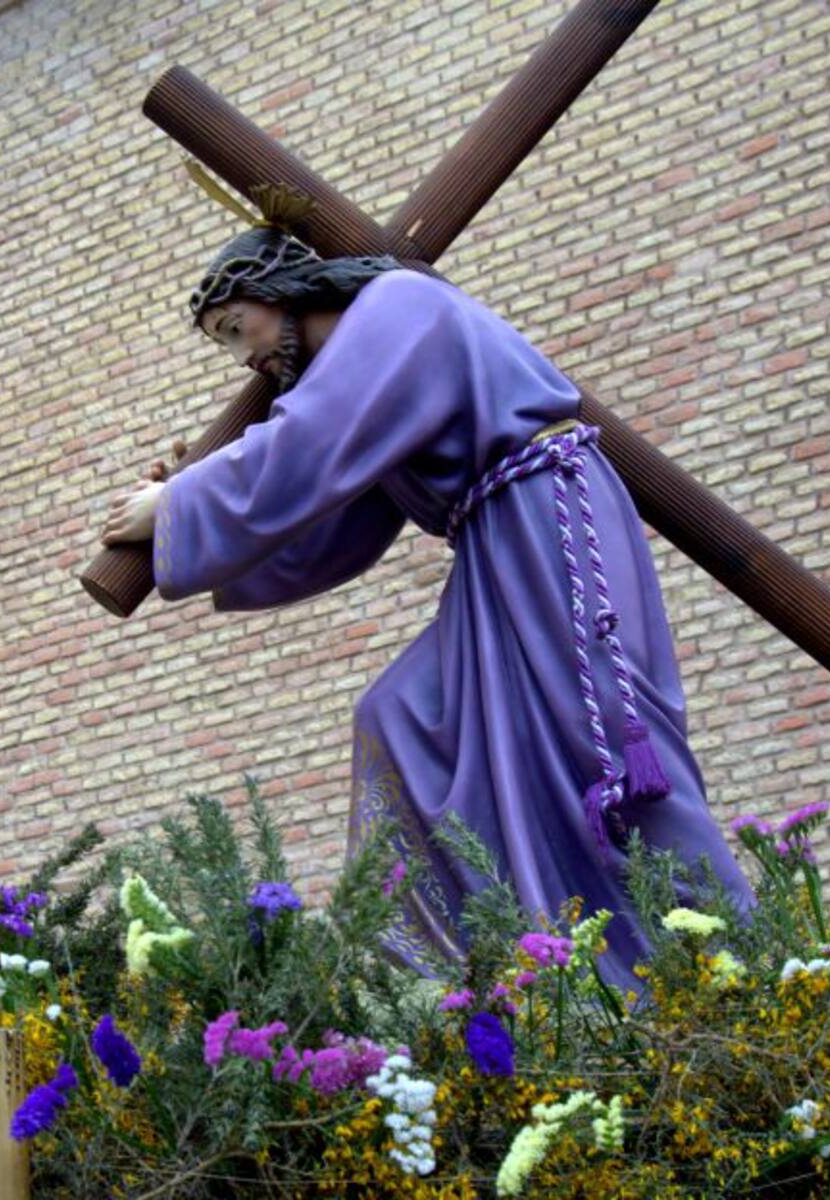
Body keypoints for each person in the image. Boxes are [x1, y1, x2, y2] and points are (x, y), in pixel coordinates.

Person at [101, 192, 754, 990]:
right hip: (490, 551)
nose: (244, 360)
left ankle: (747, 964)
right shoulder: (363, 392)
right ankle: (462, 972)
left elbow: (308, 439)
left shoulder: (396, 308)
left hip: (550, 517)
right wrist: (190, 518)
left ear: (285, 291)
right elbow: (335, 523)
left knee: (605, 743)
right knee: (401, 715)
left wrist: (183, 503)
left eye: (239, 329)